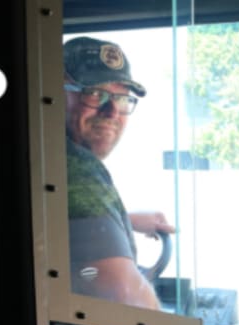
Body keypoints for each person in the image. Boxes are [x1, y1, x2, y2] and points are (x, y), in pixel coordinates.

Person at [63, 36, 174, 309]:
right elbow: (126, 295)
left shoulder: (49, 158)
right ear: (55, 95)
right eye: (95, 94)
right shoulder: (76, 167)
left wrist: (124, 220)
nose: (112, 111)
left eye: (122, 98)